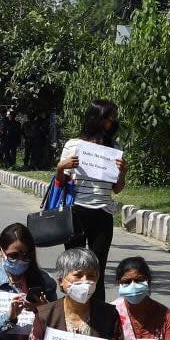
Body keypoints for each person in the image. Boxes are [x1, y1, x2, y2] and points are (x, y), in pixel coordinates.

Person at [55, 99, 126, 275]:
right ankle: (73, 302)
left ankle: (96, 303)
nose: (113, 122)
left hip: (103, 213)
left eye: (114, 118)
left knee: (97, 269)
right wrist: (61, 167)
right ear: (97, 118)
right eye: (110, 117)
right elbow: (60, 183)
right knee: (74, 268)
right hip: (76, 212)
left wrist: (123, 171)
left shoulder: (114, 148)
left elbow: (116, 189)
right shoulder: (73, 145)